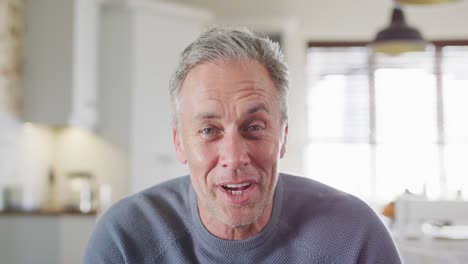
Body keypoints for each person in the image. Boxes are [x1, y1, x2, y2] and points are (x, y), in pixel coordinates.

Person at [82, 27, 402, 263]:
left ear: (283, 136)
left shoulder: (355, 237)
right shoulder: (124, 239)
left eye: (254, 127)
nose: (234, 158)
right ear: (179, 142)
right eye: (209, 130)